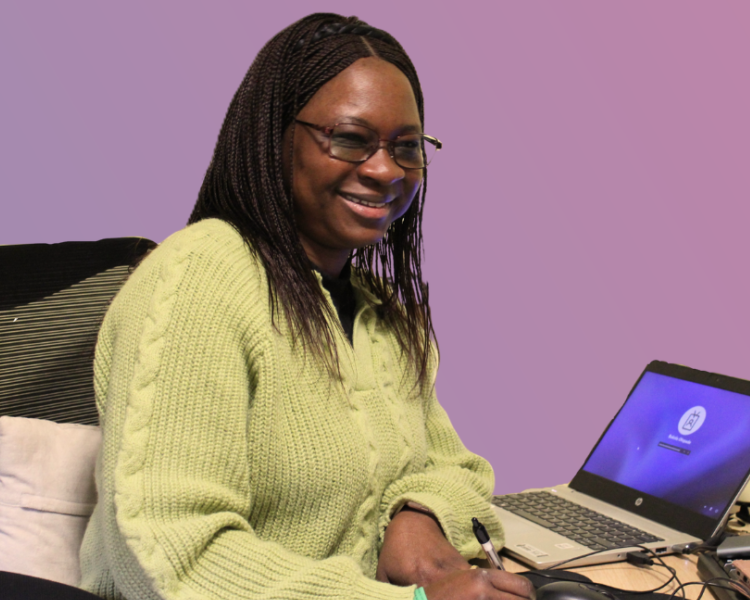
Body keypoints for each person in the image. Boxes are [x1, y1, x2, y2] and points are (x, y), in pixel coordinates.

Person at [78, 12, 534, 600]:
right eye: (349, 139)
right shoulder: (199, 278)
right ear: (275, 137)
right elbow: (168, 554)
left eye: (407, 147)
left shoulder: (380, 308)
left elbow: (458, 470)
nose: (385, 170)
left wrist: (416, 515)